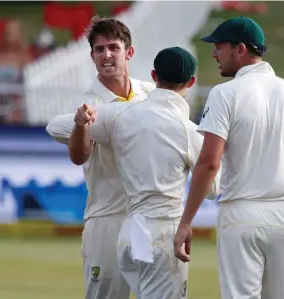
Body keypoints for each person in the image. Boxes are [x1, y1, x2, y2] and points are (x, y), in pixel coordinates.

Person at [173, 17, 284, 299]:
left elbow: (210, 162)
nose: (214, 54)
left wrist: (186, 221)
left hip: (242, 214)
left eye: (219, 47)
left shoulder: (224, 93)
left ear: (240, 50)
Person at [71, 46, 220, 299]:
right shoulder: (190, 130)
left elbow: (59, 126)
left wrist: (81, 120)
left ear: (154, 77)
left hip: (128, 235)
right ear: (191, 82)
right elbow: (213, 189)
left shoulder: (119, 115)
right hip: (164, 236)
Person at [45, 16, 155, 299]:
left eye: (113, 48)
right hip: (108, 219)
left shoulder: (151, 94)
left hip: (150, 218)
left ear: (128, 52)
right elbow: (78, 155)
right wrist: (81, 125)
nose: (107, 55)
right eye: (99, 49)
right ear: (92, 57)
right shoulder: (87, 103)